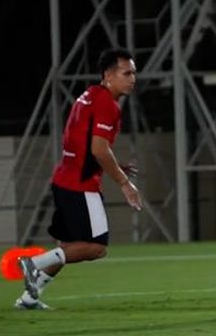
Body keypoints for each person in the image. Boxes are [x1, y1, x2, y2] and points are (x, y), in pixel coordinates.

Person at [14, 49, 142, 310]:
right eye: (126, 73)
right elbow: (98, 149)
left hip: (64, 179)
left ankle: (29, 297)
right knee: (96, 248)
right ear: (108, 75)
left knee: (68, 247)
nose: (132, 79)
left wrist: (115, 165)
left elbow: (86, 144)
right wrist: (124, 183)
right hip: (81, 185)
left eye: (134, 73)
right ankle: (32, 264)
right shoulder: (108, 105)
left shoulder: (90, 95)